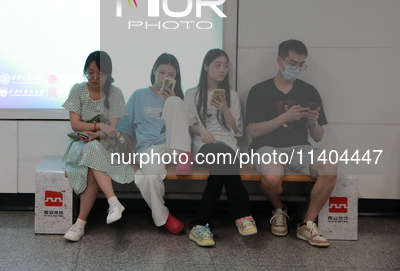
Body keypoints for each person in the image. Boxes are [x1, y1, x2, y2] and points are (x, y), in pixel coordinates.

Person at [245, 39, 337, 247]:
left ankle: (307, 224)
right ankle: (279, 209)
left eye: (300, 64)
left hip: (299, 147)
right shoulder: (259, 90)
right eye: (292, 63)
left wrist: (312, 121)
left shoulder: (309, 91)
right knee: (272, 175)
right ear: (280, 60)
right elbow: (254, 131)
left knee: (329, 165)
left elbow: (318, 136)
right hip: (266, 146)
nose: (296, 68)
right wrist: (284, 117)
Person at [185, 49, 257, 247]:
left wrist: (225, 108)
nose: (222, 69)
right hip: (203, 147)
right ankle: (242, 215)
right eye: (217, 65)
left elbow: (237, 131)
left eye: (225, 65)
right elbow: (188, 125)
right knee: (223, 156)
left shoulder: (232, 96)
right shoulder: (191, 94)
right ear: (206, 67)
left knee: (220, 167)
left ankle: (200, 225)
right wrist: (201, 131)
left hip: (228, 149)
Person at [61, 51, 135, 242]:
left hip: (108, 145)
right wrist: (98, 126)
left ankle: (80, 224)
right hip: (80, 145)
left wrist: (97, 133)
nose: (94, 77)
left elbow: (112, 130)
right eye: (90, 72)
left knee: (93, 158)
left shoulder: (115, 93)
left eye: (99, 74)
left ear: (109, 73)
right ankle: (113, 201)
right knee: (91, 152)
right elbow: (75, 125)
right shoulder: (77, 90)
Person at [117, 53, 192, 235]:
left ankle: (186, 155)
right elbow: (123, 132)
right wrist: (132, 162)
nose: (166, 77)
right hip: (150, 149)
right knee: (147, 177)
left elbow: (189, 126)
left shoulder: (178, 97)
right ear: (154, 72)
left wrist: (173, 100)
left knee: (175, 102)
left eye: (171, 75)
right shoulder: (139, 96)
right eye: (162, 72)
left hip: (176, 146)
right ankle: (165, 218)